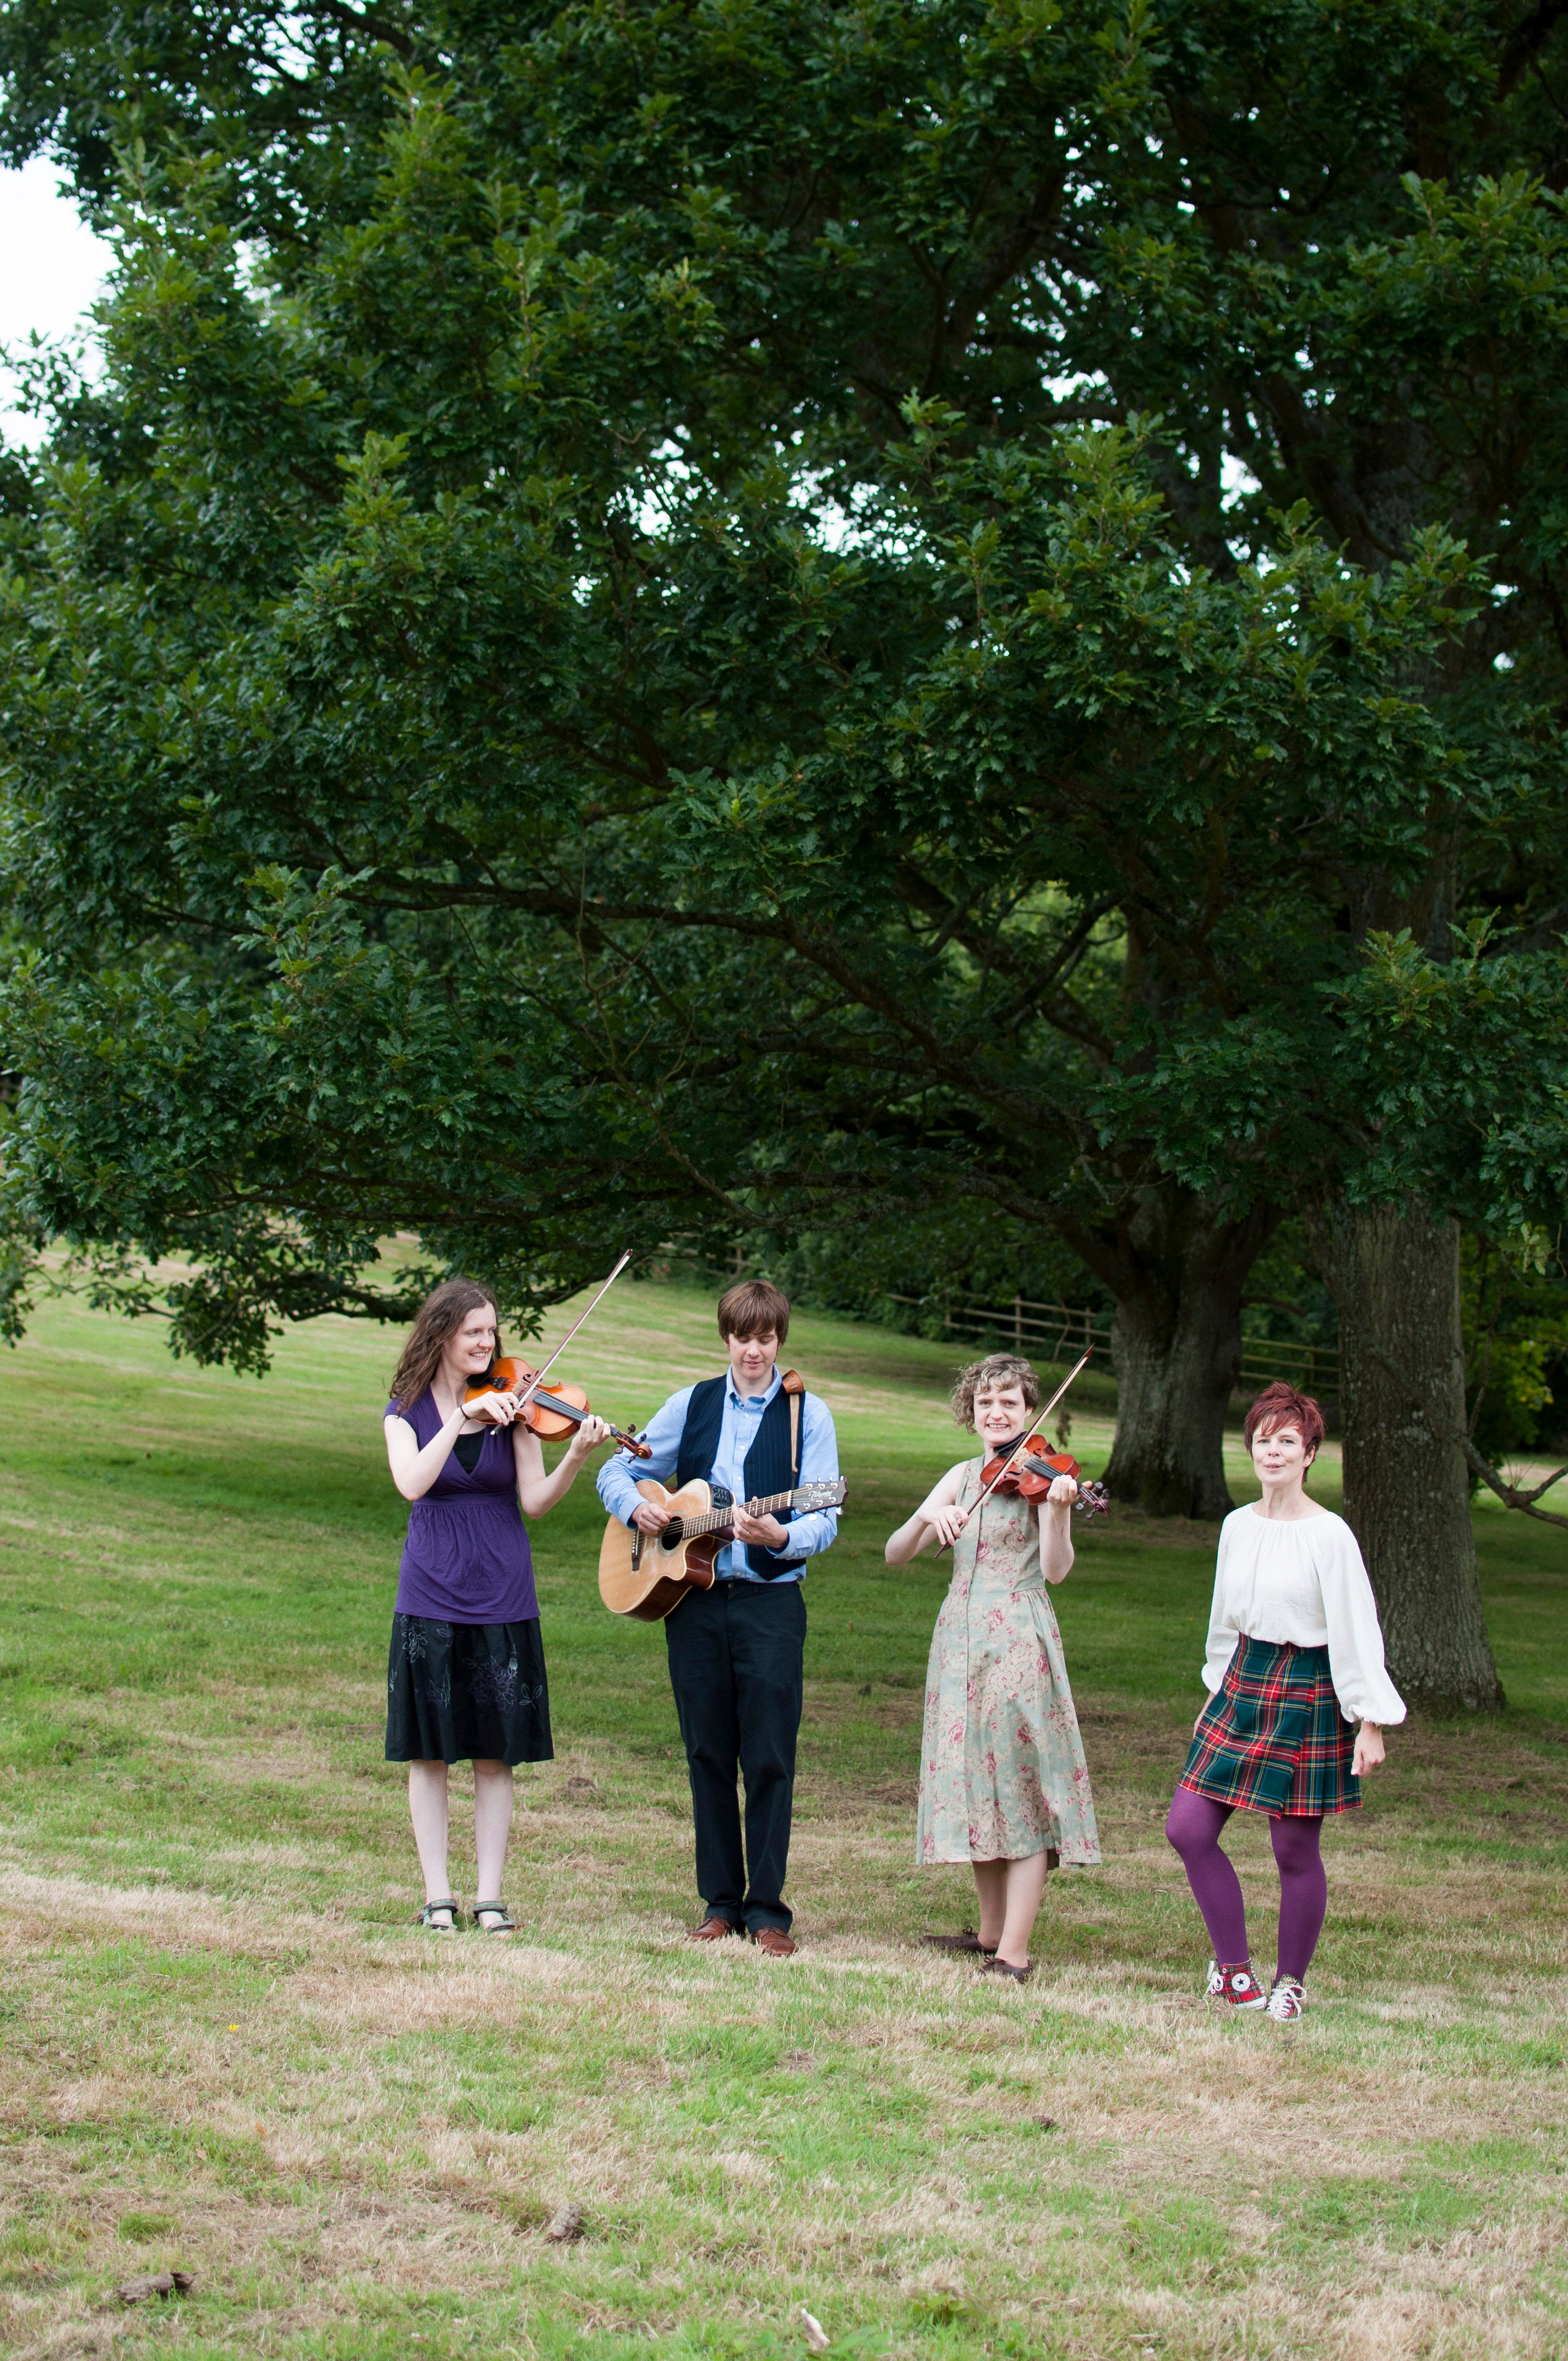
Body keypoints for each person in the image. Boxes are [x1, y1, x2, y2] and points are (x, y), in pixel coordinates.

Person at [596, 1279, 840, 1955]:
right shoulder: (691, 1402)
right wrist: (636, 1508)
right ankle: (719, 1903)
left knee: (768, 1756)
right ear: (726, 1338)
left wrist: (781, 1536)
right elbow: (617, 1469)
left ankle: (767, 1911)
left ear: (779, 1339)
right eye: (742, 1337)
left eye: (765, 1338)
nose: (753, 1350)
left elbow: (825, 1514)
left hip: (770, 1603)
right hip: (694, 1601)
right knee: (706, 1751)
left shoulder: (808, 1415)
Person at [1166, 1380, 1406, 2020]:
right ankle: (1234, 1973)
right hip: (1243, 1680)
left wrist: (1370, 1720)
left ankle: (1289, 1983)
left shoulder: (1330, 1535)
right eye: (1263, 1440)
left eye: (1288, 1441)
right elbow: (1224, 1618)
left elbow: (1356, 1629)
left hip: (1308, 1688)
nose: (1272, 1452)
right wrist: (1215, 1687)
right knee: (1187, 1829)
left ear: (1309, 1454)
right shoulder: (1236, 1525)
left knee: (1293, 1850)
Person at [384, 1279, 609, 1935]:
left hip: (502, 1591)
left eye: (491, 1331)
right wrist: (461, 1419)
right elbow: (411, 1483)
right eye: (474, 1331)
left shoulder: (515, 1407)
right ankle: (437, 1896)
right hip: (430, 1590)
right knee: (429, 1752)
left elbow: (534, 1500)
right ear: (441, 1335)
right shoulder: (405, 1412)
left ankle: (489, 1897)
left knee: (494, 1753)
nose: (487, 1342)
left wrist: (576, 1456)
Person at [884, 1352, 1101, 1984]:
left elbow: (1056, 1570)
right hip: (958, 1641)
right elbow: (895, 1553)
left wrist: (1058, 1510)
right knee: (975, 1781)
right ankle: (987, 1931)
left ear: (1029, 1411)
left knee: (1020, 1788)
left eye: (1009, 1402)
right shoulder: (960, 1477)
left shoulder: (1041, 1479)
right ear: (971, 1411)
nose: (996, 1412)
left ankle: (1015, 1952)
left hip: (1015, 1642)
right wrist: (928, 1516)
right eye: (985, 1402)